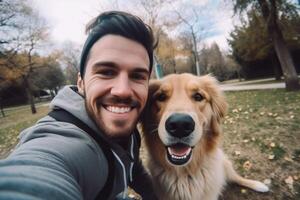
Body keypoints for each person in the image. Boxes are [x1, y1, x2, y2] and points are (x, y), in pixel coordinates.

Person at [0, 11, 157, 200]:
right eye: (106, 72)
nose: (123, 90)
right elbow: (35, 174)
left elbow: (132, 167)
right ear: (81, 83)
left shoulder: (129, 132)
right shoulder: (67, 145)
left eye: (137, 76)